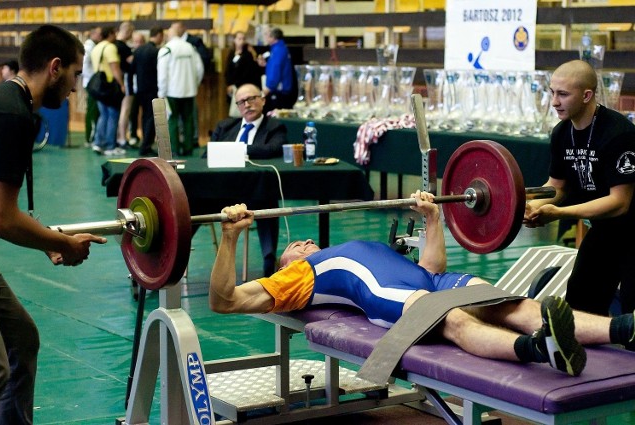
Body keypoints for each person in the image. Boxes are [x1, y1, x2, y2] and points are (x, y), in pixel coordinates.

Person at [211, 191, 635, 378]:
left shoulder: (350, 244)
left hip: (428, 277)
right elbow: (225, 301)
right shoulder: (297, 276)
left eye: (304, 241)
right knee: (449, 318)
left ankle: (621, 329)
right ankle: (539, 351)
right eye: (293, 246)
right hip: (385, 294)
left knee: (510, 303)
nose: (301, 242)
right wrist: (230, 238)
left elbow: (429, 265)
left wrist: (434, 219)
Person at [0, 25, 107, 424]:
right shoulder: (12, 114)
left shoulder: (11, 102)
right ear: (56, 68)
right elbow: (2, 218)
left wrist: (45, 241)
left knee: (21, 341)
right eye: (77, 74)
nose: (76, 88)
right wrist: (63, 241)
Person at [524, 59, 635, 316]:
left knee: (632, 315)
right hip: (605, 230)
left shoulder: (619, 134)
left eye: (563, 94)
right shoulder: (562, 133)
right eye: (552, 92)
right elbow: (557, 187)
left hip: (632, 230)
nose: (554, 102)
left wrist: (559, 213)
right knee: (580, 305)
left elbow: (619, 203)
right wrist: (531, 206)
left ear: (587, 95)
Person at [206, 84, 288, 277]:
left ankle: (269, 260)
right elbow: (206, 156)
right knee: (190, 202)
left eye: (252, 99)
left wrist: (238, 149)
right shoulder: (225, 126)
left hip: (255, 193)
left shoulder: (276, 127)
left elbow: (273, 149)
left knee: (267, 198)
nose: (247, 105)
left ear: (263, 100)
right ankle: (174, 257)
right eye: (242, 102)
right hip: (219, 193)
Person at [157, 23, 204, 157]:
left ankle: (175, 149)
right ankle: (188, 148)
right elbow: (199, 69)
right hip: (189, 91)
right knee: (188, 120)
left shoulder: (166, 49)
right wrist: (194, 84)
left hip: (172, 92)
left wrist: (161, 92)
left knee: (172, 120)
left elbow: (162, 74)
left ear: (170, 35)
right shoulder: (190, 48)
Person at [91, 26, 125, 156]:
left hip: (99, 87)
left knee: (103, 114)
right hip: (109, 86)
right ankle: (111, 146)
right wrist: (122, 84)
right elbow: (114, 67)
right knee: (113, 115)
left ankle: (98, 143)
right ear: (110, 34)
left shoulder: (97, 47)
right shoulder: (110, 47)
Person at [131, 27, 163, 157]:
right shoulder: (156, 51)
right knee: (151, 117)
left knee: (144, 116)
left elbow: (131, 70)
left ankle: (145, 143)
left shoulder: (138, 51)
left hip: (140, 89)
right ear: (159, 35)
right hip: (152, 88)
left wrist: (129, 88)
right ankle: (146, 145)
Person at [256, 27, 295, 113]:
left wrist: (269, 88)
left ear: (273, 37)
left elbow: (276, 69)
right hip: (280, 90)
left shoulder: (278, 50)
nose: (265, 37)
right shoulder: (280, 48)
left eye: (267, 35)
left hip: (279, 92)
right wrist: (266, 64)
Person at [225, 31, 262, 116]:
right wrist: (229, 84)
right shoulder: (231, 53)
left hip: (242, 86)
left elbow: (247, 73)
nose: (241, 41)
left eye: (243, 39)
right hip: (232, 87)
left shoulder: (247, 55)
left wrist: (235, 84)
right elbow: (228, 70)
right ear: (234, 40)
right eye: (239, 39)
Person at [115, 21, 135, 149]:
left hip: (117, 82)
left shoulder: (113, 45)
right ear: (127, 31)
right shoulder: (123, 47)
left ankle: (120, 137)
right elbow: (133, 63)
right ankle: (122, 138)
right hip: (125, 80)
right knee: (125, 110)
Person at [82, 26, 102, 147]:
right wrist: (94, 78)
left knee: (95, 111)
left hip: (93, 83)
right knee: (92, 111)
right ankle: (90, 137)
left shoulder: (94, 47)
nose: (101, 36)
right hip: (92, 84)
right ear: (93, 34)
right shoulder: (88, 48)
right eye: (99, 34)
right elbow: (84, 67)